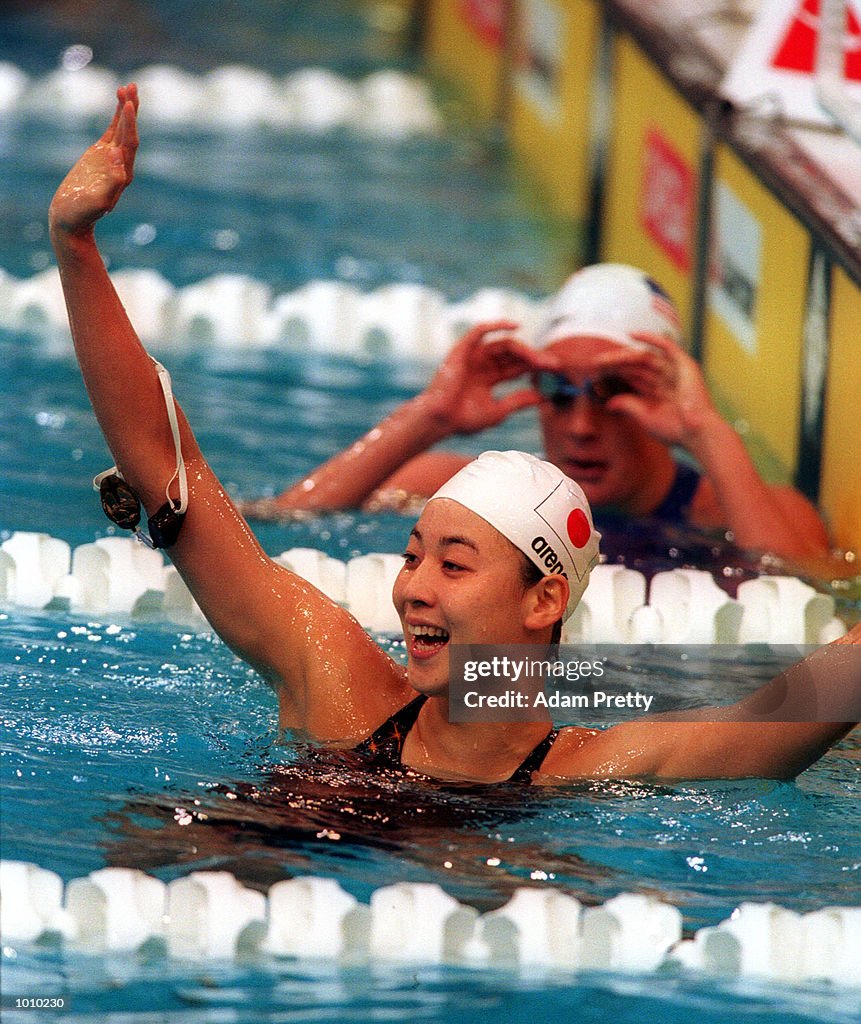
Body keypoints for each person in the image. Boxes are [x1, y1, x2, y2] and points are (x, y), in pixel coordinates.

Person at [48, 85, 858, 785]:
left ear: (545, 598)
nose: (411, 588)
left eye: (451, 563)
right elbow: (170, 468)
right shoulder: (338, 684)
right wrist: (76, 246)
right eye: (410, 556)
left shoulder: (593, 769)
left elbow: (785, 715)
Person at [248, 264, 831, 562]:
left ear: (666, 392)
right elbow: (283, 523)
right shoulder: (466, 493)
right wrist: (430, 417)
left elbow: (806, 589)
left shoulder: (738, 512)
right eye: (557, 388)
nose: (580, 426)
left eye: (614, 390)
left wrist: (706, 434)